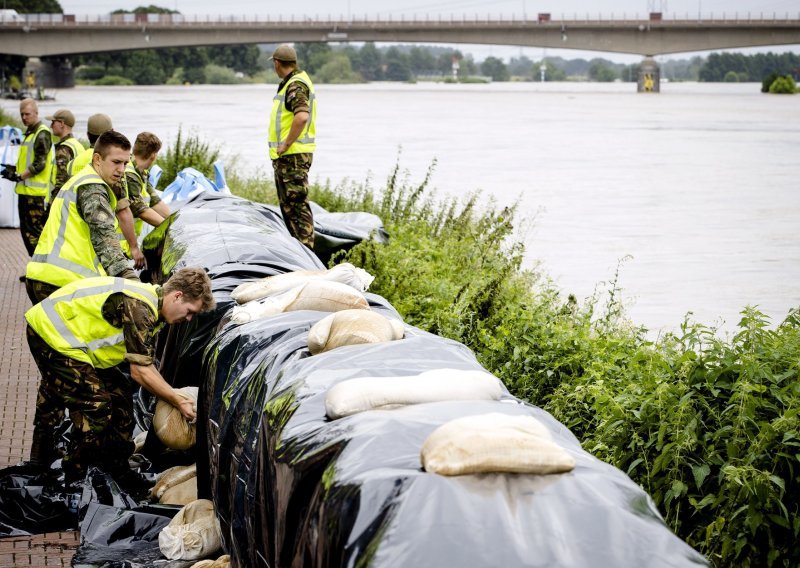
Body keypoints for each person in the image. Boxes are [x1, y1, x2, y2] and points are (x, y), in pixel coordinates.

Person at [24, 267, 216, 486]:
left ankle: (116, 469)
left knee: (121, 395)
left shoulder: (153, 308)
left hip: (77, 346)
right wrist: (177, 400)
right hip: (51, 335)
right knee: (96, 405)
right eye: (190, 311)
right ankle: (75, 476)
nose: (189, 319)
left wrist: (173, 395)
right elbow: (140, 371)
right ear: (177, 296)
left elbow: (145, 365)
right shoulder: (141, 307)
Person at [25, 130, 138, 305]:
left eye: (125, 163)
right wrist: (132, 281)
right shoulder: (93, 189)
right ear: (97, 159)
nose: (122, 170)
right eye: (116, 162)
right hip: (60, 282)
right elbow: (104, 237)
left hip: (42, 275)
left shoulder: (81, 179)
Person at [65, 113, 144, 269]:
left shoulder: (76, 160)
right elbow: (122, 211)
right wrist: (133, 247)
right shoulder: (115, 164)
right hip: (107, 246)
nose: (121, 168)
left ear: (88, 135)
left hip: (73, 242)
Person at [268, 44, 317, 249]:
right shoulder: (295, 82)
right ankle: (299, 254)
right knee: (290, 209)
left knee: (296, 209)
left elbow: (302, 116)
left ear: (277, 63)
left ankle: (305, 256)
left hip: (292, 156)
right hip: (291, 157)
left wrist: (286, 144)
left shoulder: (295, 85)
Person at [1, 98, 54, 267]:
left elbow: (40, 163)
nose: (24, 118)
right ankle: (36, 267)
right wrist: (13, 171)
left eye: (27, 114)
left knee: (35, 232)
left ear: (36, 113)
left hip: (35, 195)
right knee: (27, 232)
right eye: (22, 114)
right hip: (25, 192)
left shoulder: (42, 133)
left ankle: (43, 269)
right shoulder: (30, 132)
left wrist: (19, 176)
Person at [125, 132, 170, 236]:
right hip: (118, 244)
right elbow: (140, 209)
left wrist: (174, 223)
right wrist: (169, 228)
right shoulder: (129, 174)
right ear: (153, 156)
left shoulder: (141, 172)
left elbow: (155, 202)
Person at [46, 108, 84, 202]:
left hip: (63, 201)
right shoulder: (78, 145)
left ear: (62, 123)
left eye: (53, 122)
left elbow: (61, 181)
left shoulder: (64, 148)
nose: (51, 126)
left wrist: (52, 204)